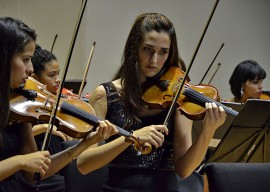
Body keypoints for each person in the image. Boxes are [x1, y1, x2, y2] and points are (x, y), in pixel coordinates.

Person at [76, 13, 226, 191]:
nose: (155, 61)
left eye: (163, 52)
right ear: (134, 48)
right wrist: (130, 139)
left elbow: (184, 170)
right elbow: (83, 164)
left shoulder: (177, 96)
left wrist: (208, 131)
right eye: (147, 49)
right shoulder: (105, 95)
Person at [0, 16, 117, 192]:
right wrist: (19, 161)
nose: (31, 68)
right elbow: (24, 163)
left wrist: (82, 146)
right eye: (25, 59)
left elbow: (34, 174)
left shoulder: (19, 108)